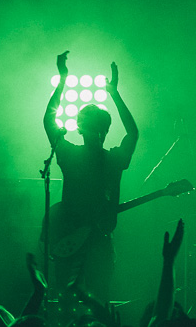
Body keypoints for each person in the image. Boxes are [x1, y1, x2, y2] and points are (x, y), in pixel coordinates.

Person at [43, 51, 139, 302]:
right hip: (70, 239)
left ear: (106, 130)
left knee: (99, 299)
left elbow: (133, 133)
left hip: (99, 242)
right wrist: (62, 80)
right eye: (91, 128)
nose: (96, 134)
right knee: (66, 300)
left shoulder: (112, 160)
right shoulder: (71, 155)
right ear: (80, 128)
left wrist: (115, 94)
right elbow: (48, 121)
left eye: (100, 129)